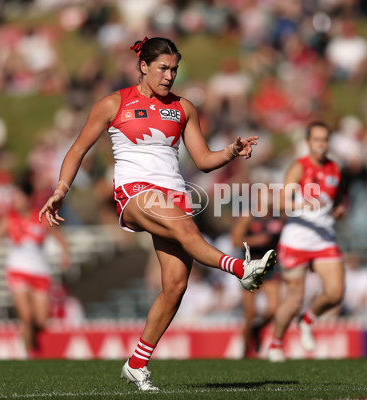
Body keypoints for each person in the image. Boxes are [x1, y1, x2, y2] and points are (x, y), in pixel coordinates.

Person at [38, 37, 276, 391]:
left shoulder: (184, 107)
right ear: (144, 66)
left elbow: (204, 161)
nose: (169, 76)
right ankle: (242, 268)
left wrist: (230, 150)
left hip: (175, 194)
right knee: (186, 232)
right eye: (163, 68)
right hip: (135, 193)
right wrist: (60, 190)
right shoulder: (112, 103)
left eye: (175, 69)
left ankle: (136, 364)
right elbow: (77, 150)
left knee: (175, 286)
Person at [268, 121, 346, 362]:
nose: (321, 144)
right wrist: (303, 204)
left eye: (325, 140)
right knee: (293, 301)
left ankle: (308, 319)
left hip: (323, 238)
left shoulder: (335, 168)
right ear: (308, 142)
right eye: (316, 140)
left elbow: (337, 198)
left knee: (335, 293)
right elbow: (280, 203)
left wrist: (339, 209)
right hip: (297, 239)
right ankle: (276, 343)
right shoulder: (299, 167)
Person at [0, 179, 70, 357]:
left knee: (42, 320)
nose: (14, 201)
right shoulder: (9, 220)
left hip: (40, 272)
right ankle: (27, 354)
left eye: (18, 197)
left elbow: (61, 239)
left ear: (27, 199)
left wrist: (65, 255)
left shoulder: (41, 218)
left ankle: (31, 343)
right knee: (26, 317)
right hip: (17, 271)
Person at [230, 186, 283, 358]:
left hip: (270, 267)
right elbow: (236, 240)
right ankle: (245, 349)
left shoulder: (279, 216)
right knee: (250, 313)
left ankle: (258, 329)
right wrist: (255, 240)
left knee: (274, 309)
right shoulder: (249, 216)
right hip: (250, 267)